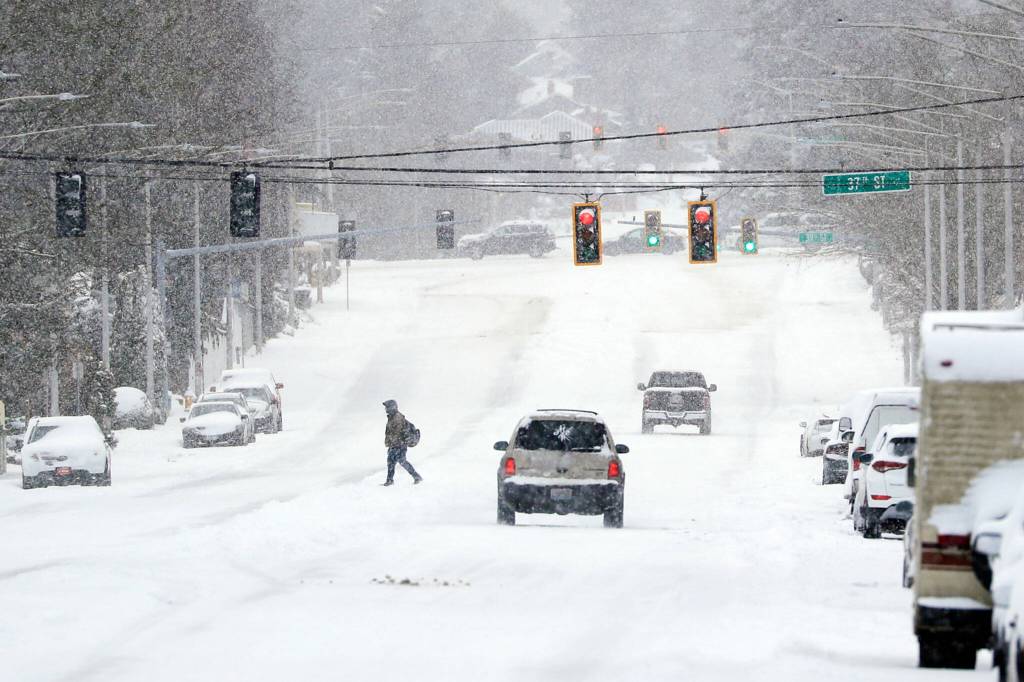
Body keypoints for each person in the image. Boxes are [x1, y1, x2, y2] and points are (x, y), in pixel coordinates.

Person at [382, 399, 422, 486]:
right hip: (395, 445)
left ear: (392, 407)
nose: (386, 409)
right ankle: (390, 480)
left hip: (399, 445)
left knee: (402, 462)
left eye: (387, 407)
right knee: (391, 462)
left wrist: (392, 443)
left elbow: (396, 433)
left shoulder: (397, 418)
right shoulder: (392, 417)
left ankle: (416, 476)